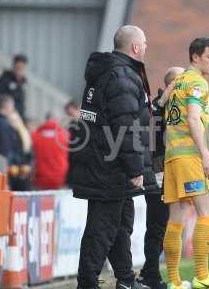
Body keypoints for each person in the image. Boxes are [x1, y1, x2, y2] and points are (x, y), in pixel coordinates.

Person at [67, 25, 159, 289]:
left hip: (104, 163)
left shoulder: (107, 72)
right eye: (144, 43)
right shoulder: (122, 76)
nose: (146, 47)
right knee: (103, 228)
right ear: (135, 47)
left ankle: (126, 280)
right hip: (112, 167)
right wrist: (134, 169)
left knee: (120, 226)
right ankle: (87, 282)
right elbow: (126, 127)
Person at [163, 38, 209, 289]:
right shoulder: (197, 82)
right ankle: (201, 277)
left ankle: (175, 281)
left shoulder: (179, 82)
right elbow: (194, 118)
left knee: (176, 219)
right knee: (207, 213)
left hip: (172, 157)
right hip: (190, 157)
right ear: (195, 57)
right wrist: (206, 155)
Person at [136, 67, 185, 289]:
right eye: (180, 82)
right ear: (169, 84)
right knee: (156, 226)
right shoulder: (155, 107)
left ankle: (148, 272)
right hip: (156, 173)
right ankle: (151, 276)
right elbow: (149, 133)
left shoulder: (179, 107)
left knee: (163, 226)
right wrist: (163, 100)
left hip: (172, 173)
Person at [31, 113, 69, 190]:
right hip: (60, 177)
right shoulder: (65, 135)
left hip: (40, 176)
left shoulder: (35, 135)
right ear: (57, 121)